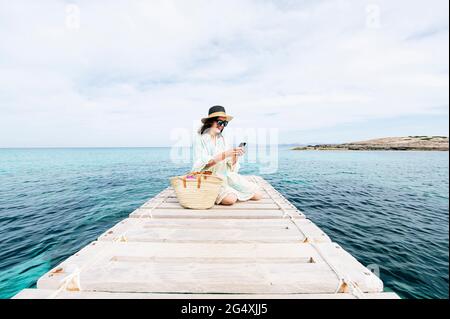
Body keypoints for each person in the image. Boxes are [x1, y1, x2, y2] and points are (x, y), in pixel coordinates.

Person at [192, 105, 263, 206]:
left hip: (226, 176)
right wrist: (225, 154)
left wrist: (235, 155)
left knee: (258, 195)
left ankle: (229, 191)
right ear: (210, 121)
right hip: (210, 177)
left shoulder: (223, 139)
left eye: (225, 123)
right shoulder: (200, 139)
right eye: (220, 122)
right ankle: (216, 192)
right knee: (231, 199)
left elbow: (231, 166)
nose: (222, 126)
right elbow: (203, 166)